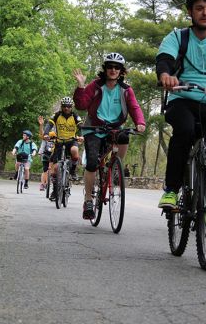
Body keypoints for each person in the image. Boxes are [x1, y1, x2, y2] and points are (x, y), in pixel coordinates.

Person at [156, 0, 206, 225]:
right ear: (190, 12)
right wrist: (166, 76)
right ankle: (171, 189)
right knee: (186, 130)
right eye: (199, 8)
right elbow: (164, 60)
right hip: (182, 99)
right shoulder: (178, 37)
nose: (205, 12)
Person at [73, 52, 146, 220]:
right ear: (105, 69)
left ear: (121, 71)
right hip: (94, 128)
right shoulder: (95, 86)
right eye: (110, 67)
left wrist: (140, 122)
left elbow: (134, 107)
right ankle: (88, 199)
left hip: (114, 128)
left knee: (124, 137)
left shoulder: (126, 90)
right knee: (92, 162)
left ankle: (115, 168)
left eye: (117, 67)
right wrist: (81, 86)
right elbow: (82, 105)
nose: (113, 70)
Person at [43, 97, 84, 200]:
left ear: (71, 107)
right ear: (61, 107)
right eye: (65, 106)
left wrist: (82, 136)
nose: (66, 108)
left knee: (75, 151)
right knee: (55, 169)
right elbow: (49, 124)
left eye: (69, 106)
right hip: (59, 142)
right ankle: (55, 191)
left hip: (71, 140)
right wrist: (46, 134)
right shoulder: (57, 115)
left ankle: (73, 170)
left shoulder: (75, 116)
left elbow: (81, 127)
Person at [37, 116, 56, 191]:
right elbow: (42, 135)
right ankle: (42, 184)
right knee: (45, 170)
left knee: (53, 170)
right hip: (46, 153)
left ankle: (52, 182)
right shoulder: (48, 134)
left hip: (54, 154)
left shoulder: (59, 136)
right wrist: (41, 125)